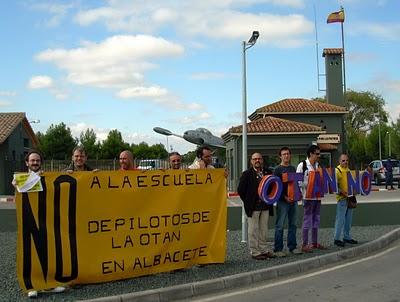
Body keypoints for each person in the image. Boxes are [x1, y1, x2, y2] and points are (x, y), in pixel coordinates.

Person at [12, 150, 66, 298]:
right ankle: (31, 286)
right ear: (27, 163)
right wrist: (14, 186)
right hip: (27, 220)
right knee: (28, 253)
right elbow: (17, 198)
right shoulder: (20, 179)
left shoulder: (47, 178)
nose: (35, 163)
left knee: (47, 252)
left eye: (37, 160)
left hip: (44, 219)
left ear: (41, 162)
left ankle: (49, 284)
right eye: (32, 160)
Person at [237, 152, 275, 260]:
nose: (257, 161)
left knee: (263, 229)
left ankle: (263, 249)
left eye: (259, 158)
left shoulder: (268, 172)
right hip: (253, 206)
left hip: (265, 206)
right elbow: (240, 190)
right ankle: (255, 251)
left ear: (262, 160)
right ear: (251, 161)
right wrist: (248, 201)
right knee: (253, 229)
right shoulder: (247, 174)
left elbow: (273, 186)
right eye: (255, 159)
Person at [296, 145, 326, 253]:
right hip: (307, 197)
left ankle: (314, 242)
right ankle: (304, 244)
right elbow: (298, 182)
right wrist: (309, 184)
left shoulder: (318, 165)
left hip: (317, 197)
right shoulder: (302, 165)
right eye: (317, 154)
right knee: (307, 220)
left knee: (316, 220)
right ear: (311, 154)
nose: (319, 156)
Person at [273, 147, 302, 257]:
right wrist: (284, 197)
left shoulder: (293, 168)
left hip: (293, 201)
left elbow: (295, 184)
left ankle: (292, 247)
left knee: (293, 224)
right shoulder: (277, 170)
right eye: (284, 154)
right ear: (280, 156)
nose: (286, 156)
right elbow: (275, 187)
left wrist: (298, 195)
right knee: (280, 225)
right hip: (282, 202)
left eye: (288, 154)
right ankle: (278, 249)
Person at [334, 154, 358, 247]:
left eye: (347, 160)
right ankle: (336, 238)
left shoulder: (348, 170)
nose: (345, 162)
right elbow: (334, 187)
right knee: (340, 219)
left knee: (348, 219)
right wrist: (342, 192)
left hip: (350, 198)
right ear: (339, 161)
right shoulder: (337, 171)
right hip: (342, 199)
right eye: (343, 160)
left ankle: (346, 237)